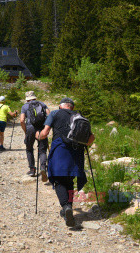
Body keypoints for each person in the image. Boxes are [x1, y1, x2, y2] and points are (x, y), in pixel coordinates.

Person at [37, 97, 95, 227]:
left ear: (60, 106)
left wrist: (37, 135)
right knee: (69, 180)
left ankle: (66, 206)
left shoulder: (54, 113)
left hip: (60, 150)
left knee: (58, 179)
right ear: (72, 107)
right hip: (77, 152)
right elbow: (91, 139)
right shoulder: (79, 116)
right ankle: (68, 208)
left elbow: (44, 133)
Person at [20, 91, 50, 179]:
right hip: (41, 129)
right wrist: (46, 129)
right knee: (42, 150)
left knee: (29, 149)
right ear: (35, 97)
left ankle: (32, 170)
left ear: (27, 99)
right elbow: (49, 115)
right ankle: (43, 167)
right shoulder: (42, 104)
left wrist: (26, 132)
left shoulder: (25, 106)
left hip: (30, 128)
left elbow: (22, 120)